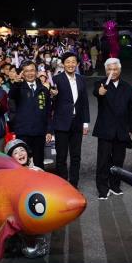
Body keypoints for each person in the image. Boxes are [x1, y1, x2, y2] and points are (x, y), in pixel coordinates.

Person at [92, 58, 132, 200]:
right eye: (109, 69)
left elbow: (131, 109)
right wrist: (100, 92)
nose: (112, 71)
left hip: (122, 129)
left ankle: (115, 185)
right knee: (103, 160)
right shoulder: (101, 84)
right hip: (105, 129)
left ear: (120, 70)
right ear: (106, 71)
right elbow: (97, 92)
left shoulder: (127, 86)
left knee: (118, 160)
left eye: (115, 69)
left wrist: (131, 127)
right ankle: (102, 188)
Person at [49, 52, 90, 189]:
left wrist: (85, 122)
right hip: (61, 123)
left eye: (73, 62)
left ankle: (74, 183)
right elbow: (51, 103)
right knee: (61, 156)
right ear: (63, 64)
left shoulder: (81, 79)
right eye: (67, 62)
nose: (71, 64)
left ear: (77, 64)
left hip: (77, 122)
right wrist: (52, 95)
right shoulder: (56, 79)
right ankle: (63, 185)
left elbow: (84, 102)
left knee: (76, 156)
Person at [8, 61, 52, 169]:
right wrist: (16, 83)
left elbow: (48, 112)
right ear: (22, 73)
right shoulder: (18, 88)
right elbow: (12, 95)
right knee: (23, 163)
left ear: (36, 72)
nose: (30, 73)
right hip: (23, 132)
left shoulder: (43, 89)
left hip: (39, 132)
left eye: (32, 70)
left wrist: (49, 130)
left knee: (39, 162)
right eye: (26, 71)